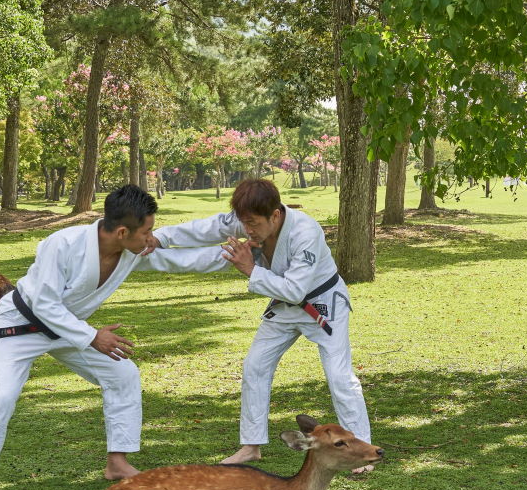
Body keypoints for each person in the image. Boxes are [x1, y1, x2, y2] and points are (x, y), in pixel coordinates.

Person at [0, 185, 227, 490]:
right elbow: (44, 303)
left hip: (68, 329)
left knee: (122, 373)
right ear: (122, 231)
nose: (152, 239)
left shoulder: (131, 251)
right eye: (148, 231)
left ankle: (117, 463)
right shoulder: (63, 244)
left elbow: (181, 261)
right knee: (1, 396)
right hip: (20, 324)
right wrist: (92, 336)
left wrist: (242, 255)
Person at [152, 178, 374, 474]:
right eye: (244, 224)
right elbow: (207, 228)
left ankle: (363, 451)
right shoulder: (249, 218)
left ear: (275, 215)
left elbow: (295, 290)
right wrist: (160, 238)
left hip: (322, 304)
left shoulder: (305, 232)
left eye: (254, 224)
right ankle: (251, 445)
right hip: (283, 307)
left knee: (339, 376)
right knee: (255, 366)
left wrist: (250, 269)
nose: (248, 230)